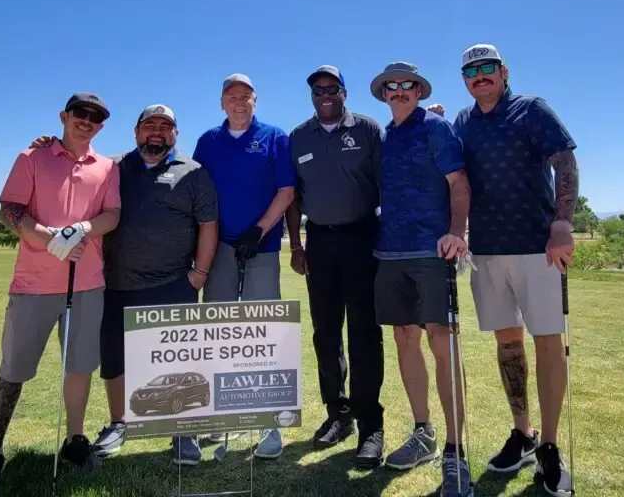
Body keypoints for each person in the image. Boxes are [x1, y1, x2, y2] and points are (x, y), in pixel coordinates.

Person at [26, 104, 219, 466]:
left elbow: (208, 223)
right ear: (136, 132)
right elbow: (76, 164)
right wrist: (49, 143)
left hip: (173, 282)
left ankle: (183, 430)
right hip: (114, 283)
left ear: (175, 134)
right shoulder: (111, 167)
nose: (157, 132)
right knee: (114, 360)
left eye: (165, 126)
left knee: (179, 360)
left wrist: (201, 273)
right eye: (149, 125)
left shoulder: (193, 173)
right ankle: (120, 422)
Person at [442, 44, 578, 497]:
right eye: (470, 71)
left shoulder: (531, 109)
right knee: (507, 343)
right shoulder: (462, 122)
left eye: (486, 68)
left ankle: (552, 447)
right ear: (465, 79)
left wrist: (562, 223)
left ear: (502, 72)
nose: (479, 76)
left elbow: (565, 162)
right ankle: (524, 433)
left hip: (537, 248)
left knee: (547, 342)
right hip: (487, 251)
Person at [0, 93, 122, 485]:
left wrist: (83, 229)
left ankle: (75, 439)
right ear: (64, 116)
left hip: (88, 283)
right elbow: (10, 208)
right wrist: (45, 236)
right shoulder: (32, 158)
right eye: (80, 113)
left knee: (79, 367)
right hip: (33, 284)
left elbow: (112, 215)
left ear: (101, 125)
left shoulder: (108, 167)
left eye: (95, 117)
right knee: (14, 368)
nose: (87, 121)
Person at [369, 62, 474, 497]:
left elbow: (458, 181)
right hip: (389, 253)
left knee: (441, 340)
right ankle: (423, 432)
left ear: (417, 89)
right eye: (391, 86)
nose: (399, 91)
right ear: (384, 94)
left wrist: (457, 231)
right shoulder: (387, 136)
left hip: (432, 251)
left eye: (407, 85)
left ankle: (455, 451)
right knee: (404, 337)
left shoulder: (437, 127)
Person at [284, 65, 386, 467]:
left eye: (332, 89)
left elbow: (386, 186)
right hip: (320, 243)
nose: (324, 96)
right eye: (317, 91)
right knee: (326, 334)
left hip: (363, 237)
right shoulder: (298, 137)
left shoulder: (367, 130)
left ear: (344, 92)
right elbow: (293, 198)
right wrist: (296, 244)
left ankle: (370, 426)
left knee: (364, 333)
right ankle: (337, 414)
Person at [192, 73, 296, 460]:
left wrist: (259, 230)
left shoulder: (274, 137)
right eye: (231, 96)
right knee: (219, 331)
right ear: (222, 102)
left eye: (246, 96)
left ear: (256, 100)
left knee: (265, 332)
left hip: (262, 247)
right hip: (218, 249)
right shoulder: (207, 141)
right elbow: (197, 192)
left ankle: (271, 424)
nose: (239, 102)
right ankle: (220, 416)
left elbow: (286, 191)